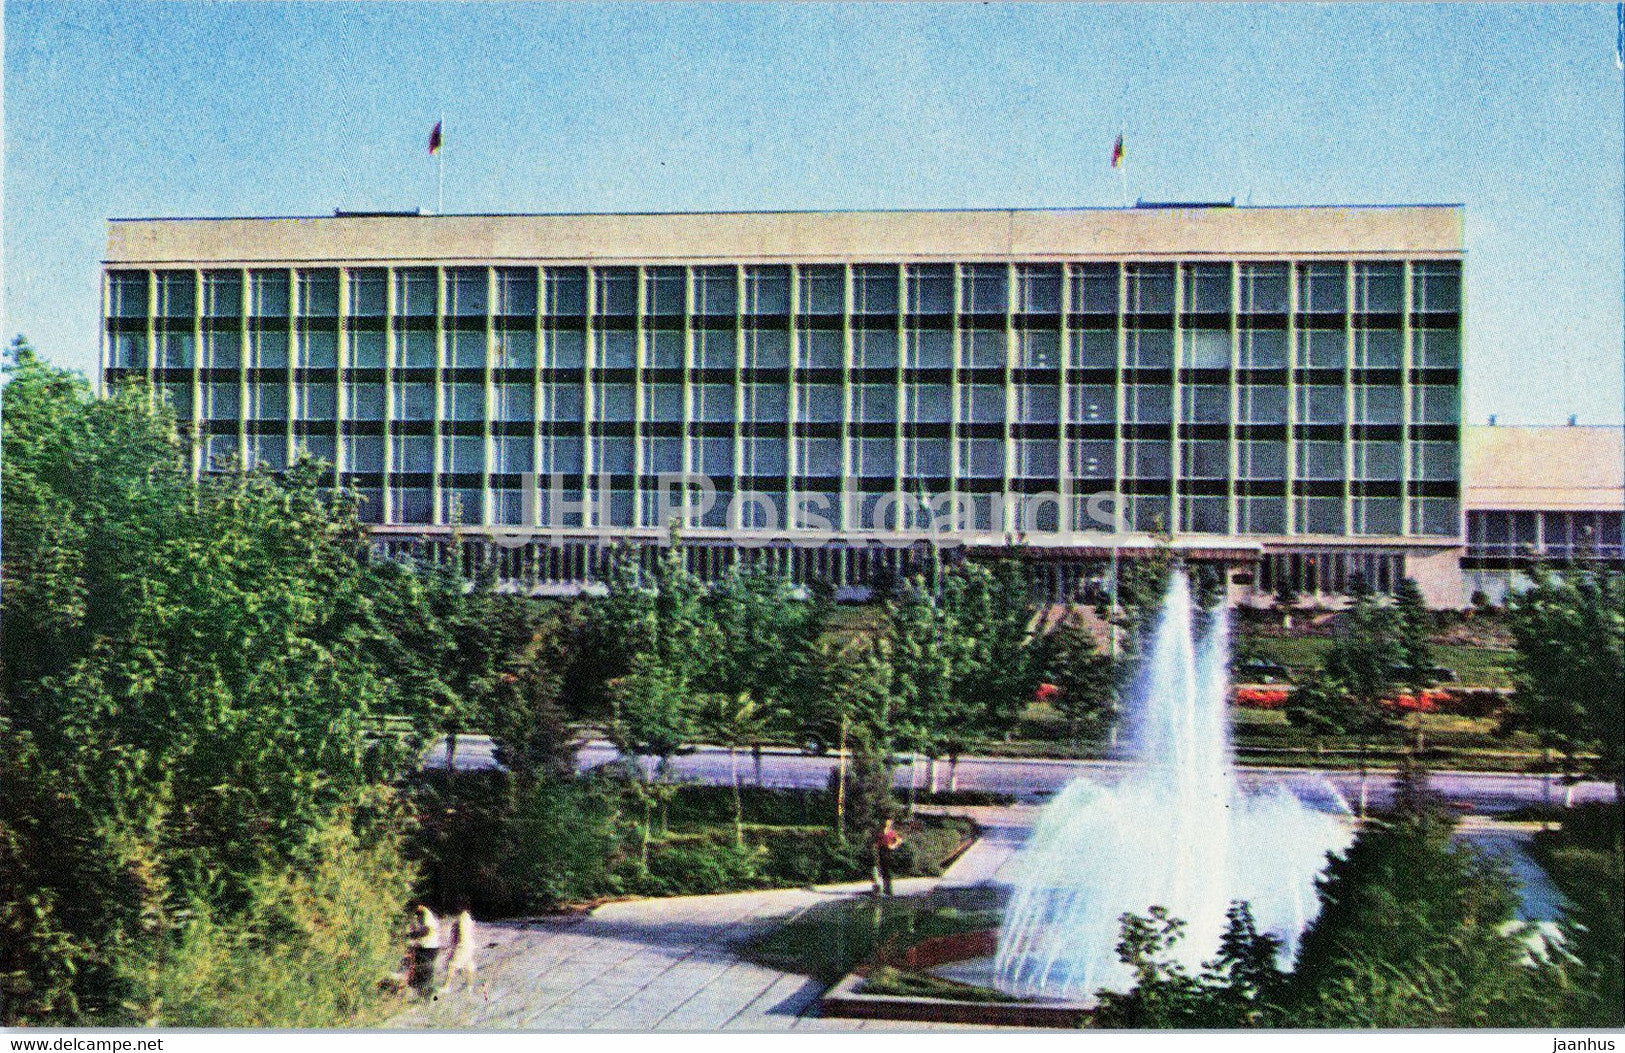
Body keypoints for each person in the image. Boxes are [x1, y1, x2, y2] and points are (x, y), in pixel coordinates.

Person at [406, 902, 442, 996]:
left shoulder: (425, 914)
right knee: (419, 973)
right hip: (424, 946)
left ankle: (428, 996)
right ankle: (424, 995)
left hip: (429, 947)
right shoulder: (419, 914)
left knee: (424, 973)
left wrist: (411, 935)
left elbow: (427, 931)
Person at [444, 905, 479, 992]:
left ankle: (446, 986)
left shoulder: (461, 919)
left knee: (452, 964)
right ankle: (469, 986)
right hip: (470, 945)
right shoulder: (467, 918)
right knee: (468, 965)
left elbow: (460, 934)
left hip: (462, 945)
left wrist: (455, 945)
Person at [871, 816, 903, 896]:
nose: (887, 823)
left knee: (887, 870)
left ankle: (888, 889)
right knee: (878, 869)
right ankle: (877, 889)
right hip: (880, 851)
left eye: (889, 822)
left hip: (888, 852)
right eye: (886, 821)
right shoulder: (879, 832)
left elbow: (899, 840)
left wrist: (893, 846)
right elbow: (875, 842)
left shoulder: (892, 832)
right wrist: (875, 850)